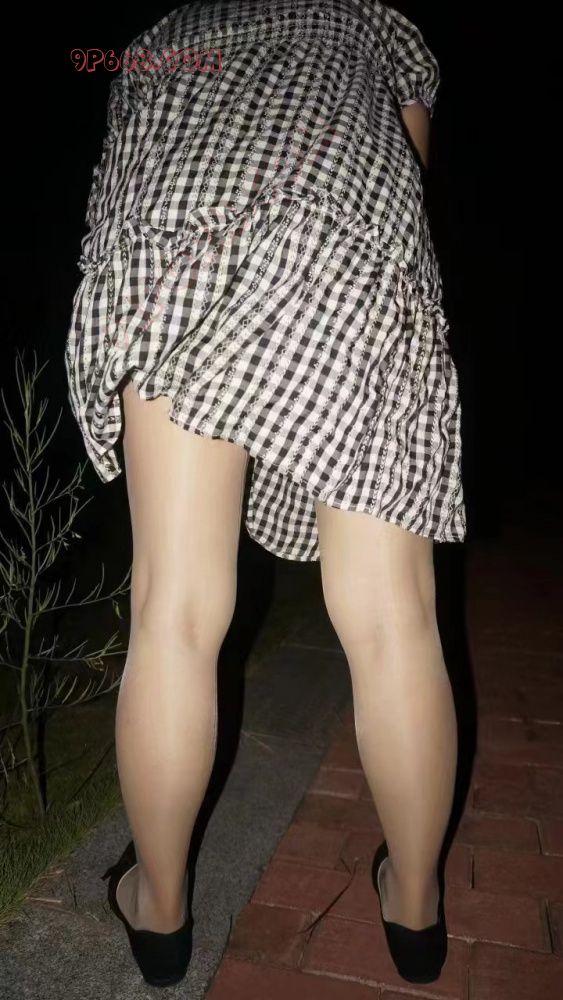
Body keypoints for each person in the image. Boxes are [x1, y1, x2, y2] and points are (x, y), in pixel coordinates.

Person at [65, 0, 465, 987]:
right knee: (393, 617)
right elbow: (406, 173)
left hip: (172, 246)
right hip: (345, 244)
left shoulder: (161, 34)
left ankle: (160, 911)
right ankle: (414, 908)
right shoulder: (371, 23)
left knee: (173, 610)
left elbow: (119, 172)